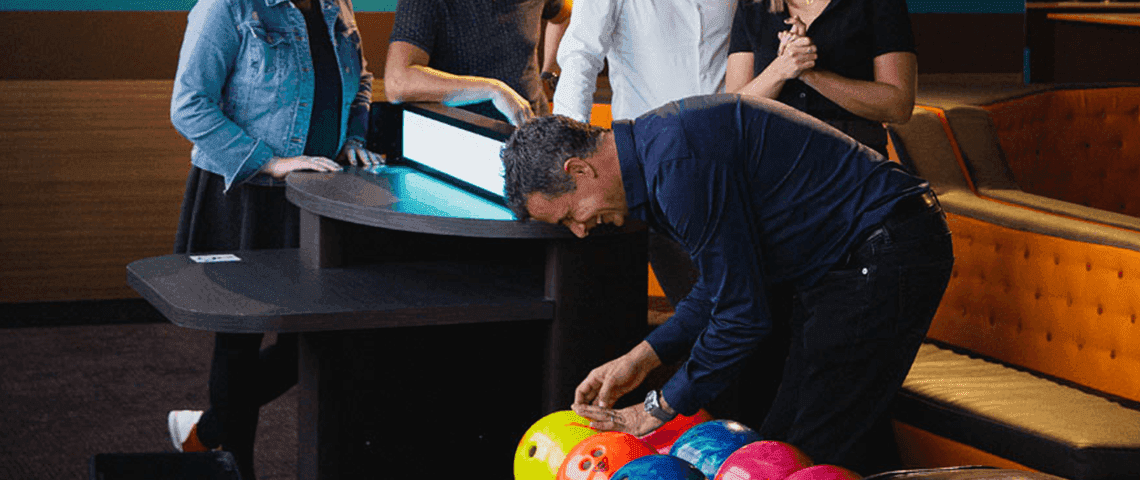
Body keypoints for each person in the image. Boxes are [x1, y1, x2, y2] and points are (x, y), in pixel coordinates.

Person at [500, 94, 954, 474]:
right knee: (779, 447)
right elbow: (722, 287)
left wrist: (656, 408)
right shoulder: (657, 155)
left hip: (885, 246)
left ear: (578, 170)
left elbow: (743, 316)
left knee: (800, 457)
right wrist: (641, 358)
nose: (581, 231)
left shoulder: (676, 168)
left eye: (570, 216)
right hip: (845, 263)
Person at [165, 1, 381, 478]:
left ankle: (206, 431)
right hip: (245, 193)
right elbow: (189, 104)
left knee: (312, 340)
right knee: (239, 343)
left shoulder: (336, 4)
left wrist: (353, 137)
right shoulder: (226, 7)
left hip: (317, 197)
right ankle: (235, 468)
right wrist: (268, 161)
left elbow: (360, 80)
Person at [551, 0, 736, 309]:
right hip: (654, 167)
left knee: (746, 290)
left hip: (730, 155)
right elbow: (580, 55)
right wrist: (564, 151)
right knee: (696, 299)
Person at [725, 0, 917, 156]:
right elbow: (731, 113)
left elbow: (899, 106)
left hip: (854, 162)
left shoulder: (879, 3)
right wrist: (781, 69)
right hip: (771, 160)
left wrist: (810, 74)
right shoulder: (752, 5)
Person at [383, 0, 571, 126]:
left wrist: (550, 74)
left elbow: (566, 16)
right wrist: (493, 90)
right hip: (462, 136)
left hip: (531, 131)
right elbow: (398, 83)